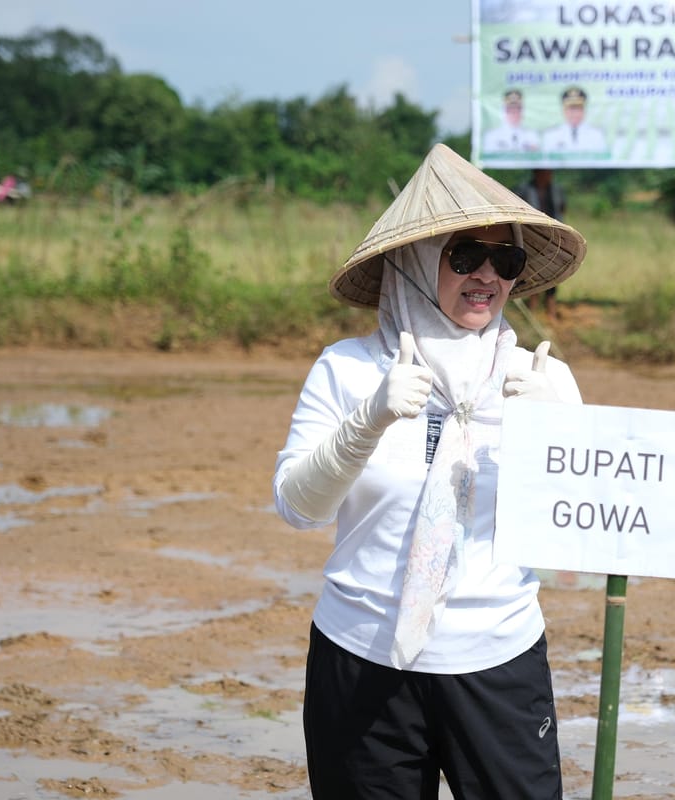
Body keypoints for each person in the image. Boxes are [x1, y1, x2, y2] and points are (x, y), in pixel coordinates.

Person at [272, 142, 587, 799]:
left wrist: (563, 436)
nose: (488, 277)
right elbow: (299, 508)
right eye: (465, 255)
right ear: (414, 263)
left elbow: (576, 538)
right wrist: (366, 423)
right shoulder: (349, 370)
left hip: (496, 659)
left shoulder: (540, 376)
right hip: (360, 659)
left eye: (507, 258)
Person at [515, 168, 566, 319]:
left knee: (553, 272)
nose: (547, 176)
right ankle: (532, 310)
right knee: (533, 271)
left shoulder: (557, 190)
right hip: (533, 235)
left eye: (549, 173)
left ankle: (550, 311)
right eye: (544, 173)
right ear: (536, 174)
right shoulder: (525, 190)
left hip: (553, 234)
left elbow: (562, 208)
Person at [541, 86, 608, 154]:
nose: (575, 114)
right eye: (571, 109)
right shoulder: (551, 135)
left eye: (578, 109)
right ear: (564, 111)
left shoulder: (596, 135)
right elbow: (546, 162)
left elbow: (602, 162)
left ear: (584, 111)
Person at [482, 88, 540, 153]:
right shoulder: (491, 136)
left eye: (518, 108)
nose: (514, 113)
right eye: (510, 109)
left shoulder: (531, 135)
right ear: (503, 110)